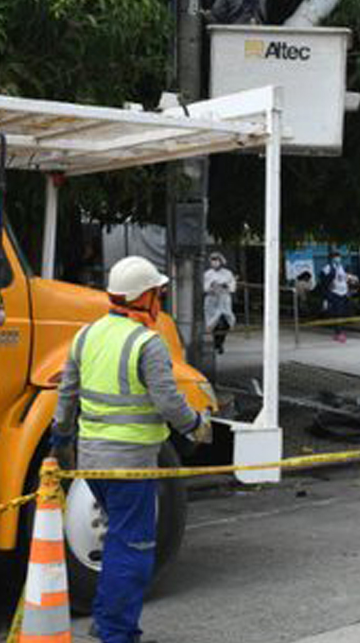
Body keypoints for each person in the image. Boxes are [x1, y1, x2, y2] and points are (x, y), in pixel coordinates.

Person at [52, 256, 214, 643]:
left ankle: (109, 620)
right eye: (159, 294)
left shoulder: (85, 335)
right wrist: (196, 426)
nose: (161, 302)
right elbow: (169, 402)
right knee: (135, 550)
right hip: (131, 467)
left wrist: (60, 440)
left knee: (118, 542)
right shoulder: (148, 343)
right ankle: (116, 632)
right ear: (144, 298)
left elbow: (66, 395)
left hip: (92, 467)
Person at [202, 252, 237, 356]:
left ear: (221, 261)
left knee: (225, 322)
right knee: (214, 323)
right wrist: (212, 286)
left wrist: (226, 286)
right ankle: (217, 344)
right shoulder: (207, 274)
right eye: (213, 260)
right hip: (212, 300)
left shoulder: (227, 273)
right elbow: (205, 287)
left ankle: (220, 343)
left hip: (224, 299)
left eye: (216, 260)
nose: (215, 262)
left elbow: (232, 286)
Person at [318, 251, 353, 342]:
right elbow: (322, 277)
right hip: (335, 293)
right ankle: (338, 333)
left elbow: (342, 278)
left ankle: (339, 331)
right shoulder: (328, 267)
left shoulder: (340, 267)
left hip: (343, 293)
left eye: (339, 256)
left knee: (342, 313)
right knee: (338, 313)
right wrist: (329, 283)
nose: (338, 258)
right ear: (332, 258)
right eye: (336, 257)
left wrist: (349, 280)